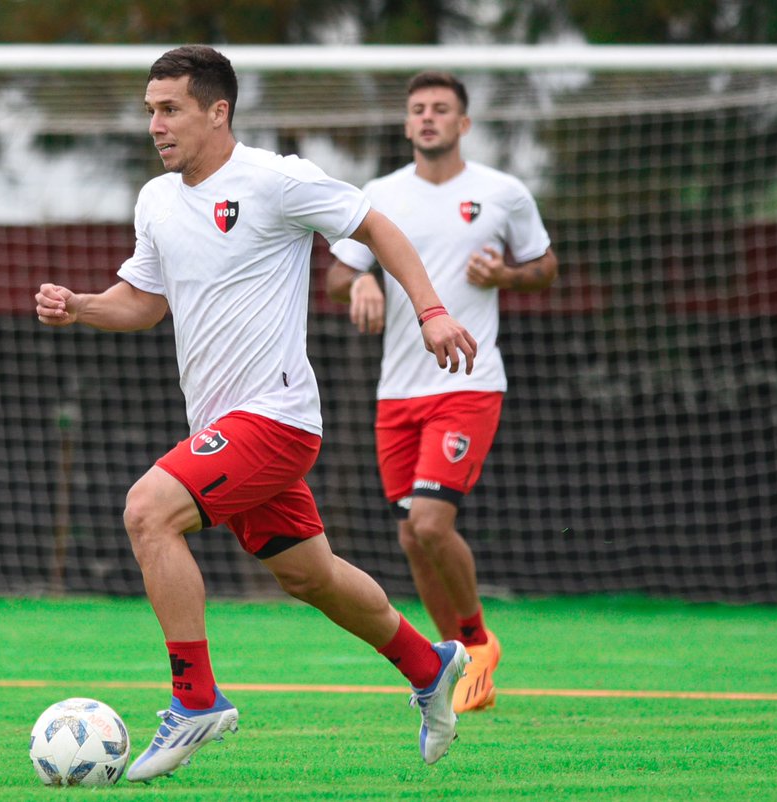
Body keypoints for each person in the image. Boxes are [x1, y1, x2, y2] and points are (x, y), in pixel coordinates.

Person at [35, 46, 479, 782]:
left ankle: (195, 700)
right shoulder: (155, 200)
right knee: (311, 577)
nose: (155, 124)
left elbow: (379, 227)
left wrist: (430, 311)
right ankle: (428, 664)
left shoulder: (278, 181)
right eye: (150, 110)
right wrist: (82, 307)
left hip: (275, 415)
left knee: (148, 510)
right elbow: (145, 303)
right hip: (224, 424)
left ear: (218, 111)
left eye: (170, 108)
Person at [326, 71, 558, 714]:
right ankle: (457, 658)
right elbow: (337, 278)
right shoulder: (378, 195)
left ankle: (479, 641)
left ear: (463, 124)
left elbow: (545, 266)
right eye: (418, 110)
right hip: (397, 389)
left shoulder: (501, 193)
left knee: (431, 520)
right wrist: (361, 283)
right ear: (406, 125)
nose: (428, 118)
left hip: (469, 381)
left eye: (442, 109)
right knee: (410, 536)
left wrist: (508, 274)